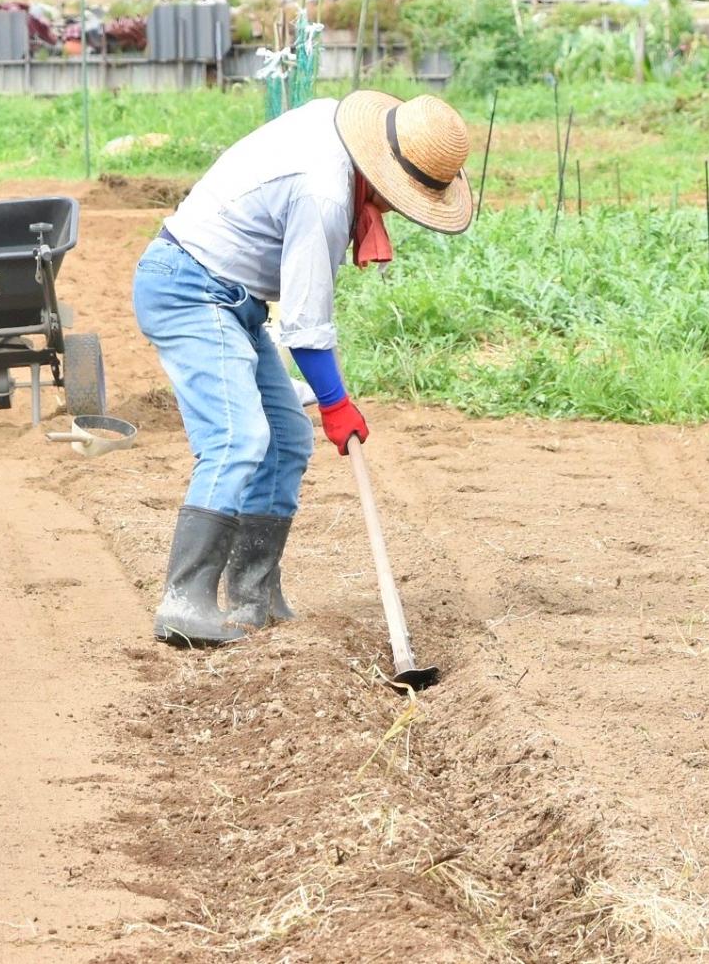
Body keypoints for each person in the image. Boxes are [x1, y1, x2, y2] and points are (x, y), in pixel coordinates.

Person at [132, 91, 474, 646]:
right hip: (190, 289)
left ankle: (254, 595)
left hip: (231, 298)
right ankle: (184, 599)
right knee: (237, 438)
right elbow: (306, 323)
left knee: (287, 438)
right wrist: (336, 403)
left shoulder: (332, 126)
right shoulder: (324, 192)